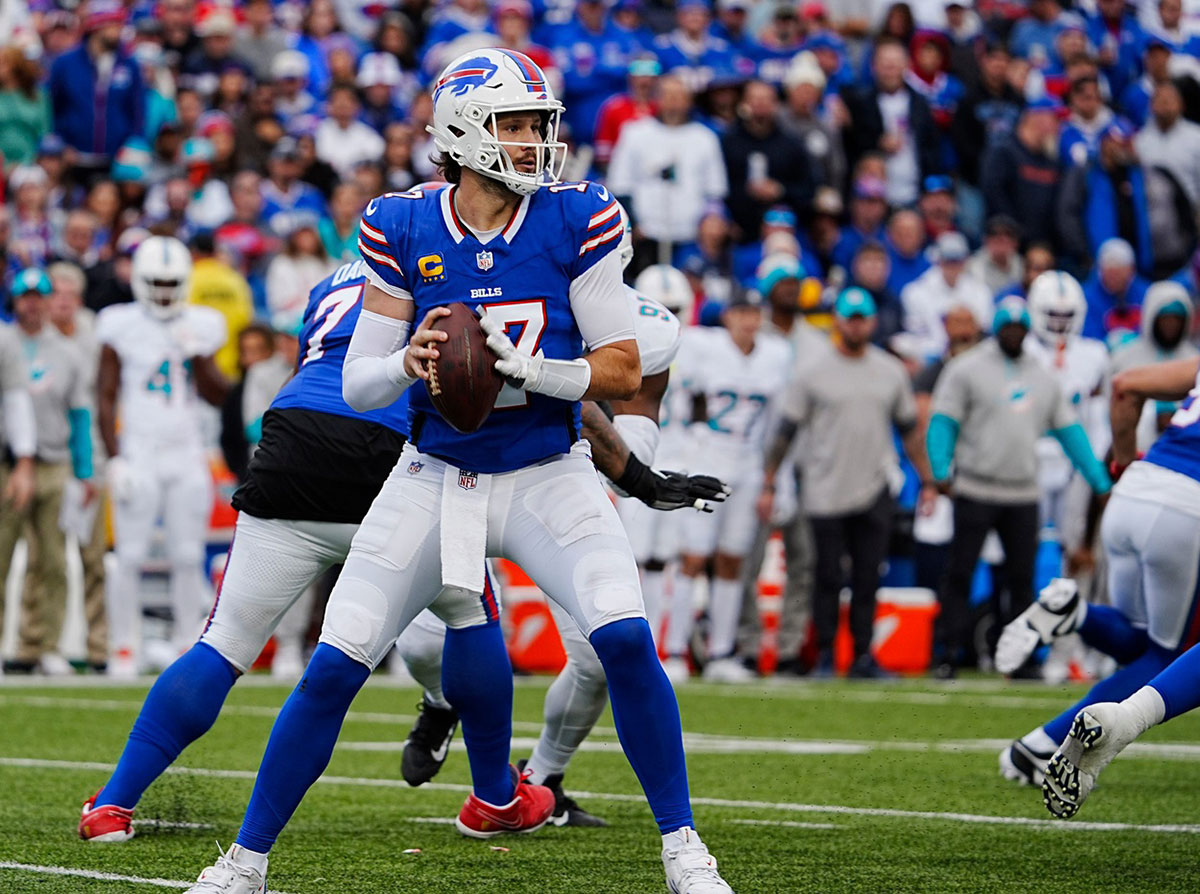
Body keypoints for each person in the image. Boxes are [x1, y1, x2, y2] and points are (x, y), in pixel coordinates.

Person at [176, 49, 733, 894]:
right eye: (516, 124)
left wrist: (532, 371)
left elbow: (620, 366)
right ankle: (244, 864)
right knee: (336, 661)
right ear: (465, 129)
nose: (535, 141)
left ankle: (684, 850)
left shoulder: (577, 216)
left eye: (537, 124)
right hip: (434, 471)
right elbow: (363, 378)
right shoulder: (403, 224)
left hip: (548, 469)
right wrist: (412, 358)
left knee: (623, 634)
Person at [395, 221, 725, 825]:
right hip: (460, 468)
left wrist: (632, 468)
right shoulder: (488, 283)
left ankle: (543, 778)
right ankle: (440, 701)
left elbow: (633, 408)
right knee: (421, 641)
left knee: (603, 654)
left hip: (558, 480)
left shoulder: (646, 328)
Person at [992, 355, 1200, 801]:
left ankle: (1075, 612)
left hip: (1137, 485)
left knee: (1138, 642)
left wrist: (1125, 461)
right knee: (1166, 656)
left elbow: (1125, 385)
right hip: (1187, 506)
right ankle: (1050, 741)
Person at [926, 297, 1112, 678]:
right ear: (996, 329)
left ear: (1027, 331)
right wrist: (941, 468)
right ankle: (947, 652)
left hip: (1023, 492)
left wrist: (1097, 477)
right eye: (1006, 327)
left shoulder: (1041, 377)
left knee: (1021, 581)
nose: (1013, 333)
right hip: (976, 486)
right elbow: (944, 420)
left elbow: (1069, 431)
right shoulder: (968, 368)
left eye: (1019, 327)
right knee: (959, 573)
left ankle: (1022, 659)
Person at [761, 287, 934, 677]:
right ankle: (824, 652)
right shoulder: (814, 373)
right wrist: (770, 481)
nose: (856, 325)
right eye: (850, 318)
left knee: (868, 575)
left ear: (872, 322)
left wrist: (928, 480)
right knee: (825, 575)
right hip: (824, 487)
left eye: (862, 318)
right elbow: (786, 432)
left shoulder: (889, 371)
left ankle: (861, 655)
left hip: (874, 484)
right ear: (838, 321)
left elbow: (909, 431)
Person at [96, 236, 228, 677]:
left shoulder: (202, 324)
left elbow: (219, 395)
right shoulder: (119, 323)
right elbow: (106, 393)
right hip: (139, 450)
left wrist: (198, 355)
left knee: (188, 555)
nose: (166, 293)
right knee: (128, 556)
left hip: (187, 451)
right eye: (158, 283)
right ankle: (124, 647)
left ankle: (185, 644)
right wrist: (115, 457)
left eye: (173, 284)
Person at [668, 289, 792, 684]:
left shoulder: (776, 355)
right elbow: (683, 403)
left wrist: (777, 480)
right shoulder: (702, 347)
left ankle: (721, 651)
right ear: (727, 317)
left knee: (732, 560)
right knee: (693, 556)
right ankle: (674, 649)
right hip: (705, 458)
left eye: (754, 313)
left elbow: (776, 424)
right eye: (741, 312)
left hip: (748, 462)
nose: (748, 321)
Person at [0, 268, 93, 675]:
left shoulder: (68, 351)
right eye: (26, 296)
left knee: (53, 560)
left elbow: (80, 415)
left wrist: (85, 469)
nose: (33, 303)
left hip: (55, 462)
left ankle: (43, 644)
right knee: (2, 556)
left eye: (39, 296)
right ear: (16, 301)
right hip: (7, 465)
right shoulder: (4, 343)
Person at [608, 75, 728, 272]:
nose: (673, 101)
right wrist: (633, 224)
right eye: (668, 95)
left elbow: (715, 190)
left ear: (689, 100)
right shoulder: (635, 133)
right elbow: (620, 184)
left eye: (679, 96)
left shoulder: (704, 137)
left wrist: (711, 220)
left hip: (690, 234)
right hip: (646, 234)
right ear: (657, 98)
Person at [900, 231, 993, 363]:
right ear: (938, 261)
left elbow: (983, 329)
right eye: (948, 261)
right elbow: (917, 334)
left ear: (965, 261)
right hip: (933, 357)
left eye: (957, 261)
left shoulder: (980, 291)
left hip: (971, 354)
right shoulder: (915, 292)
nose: (953, 267)